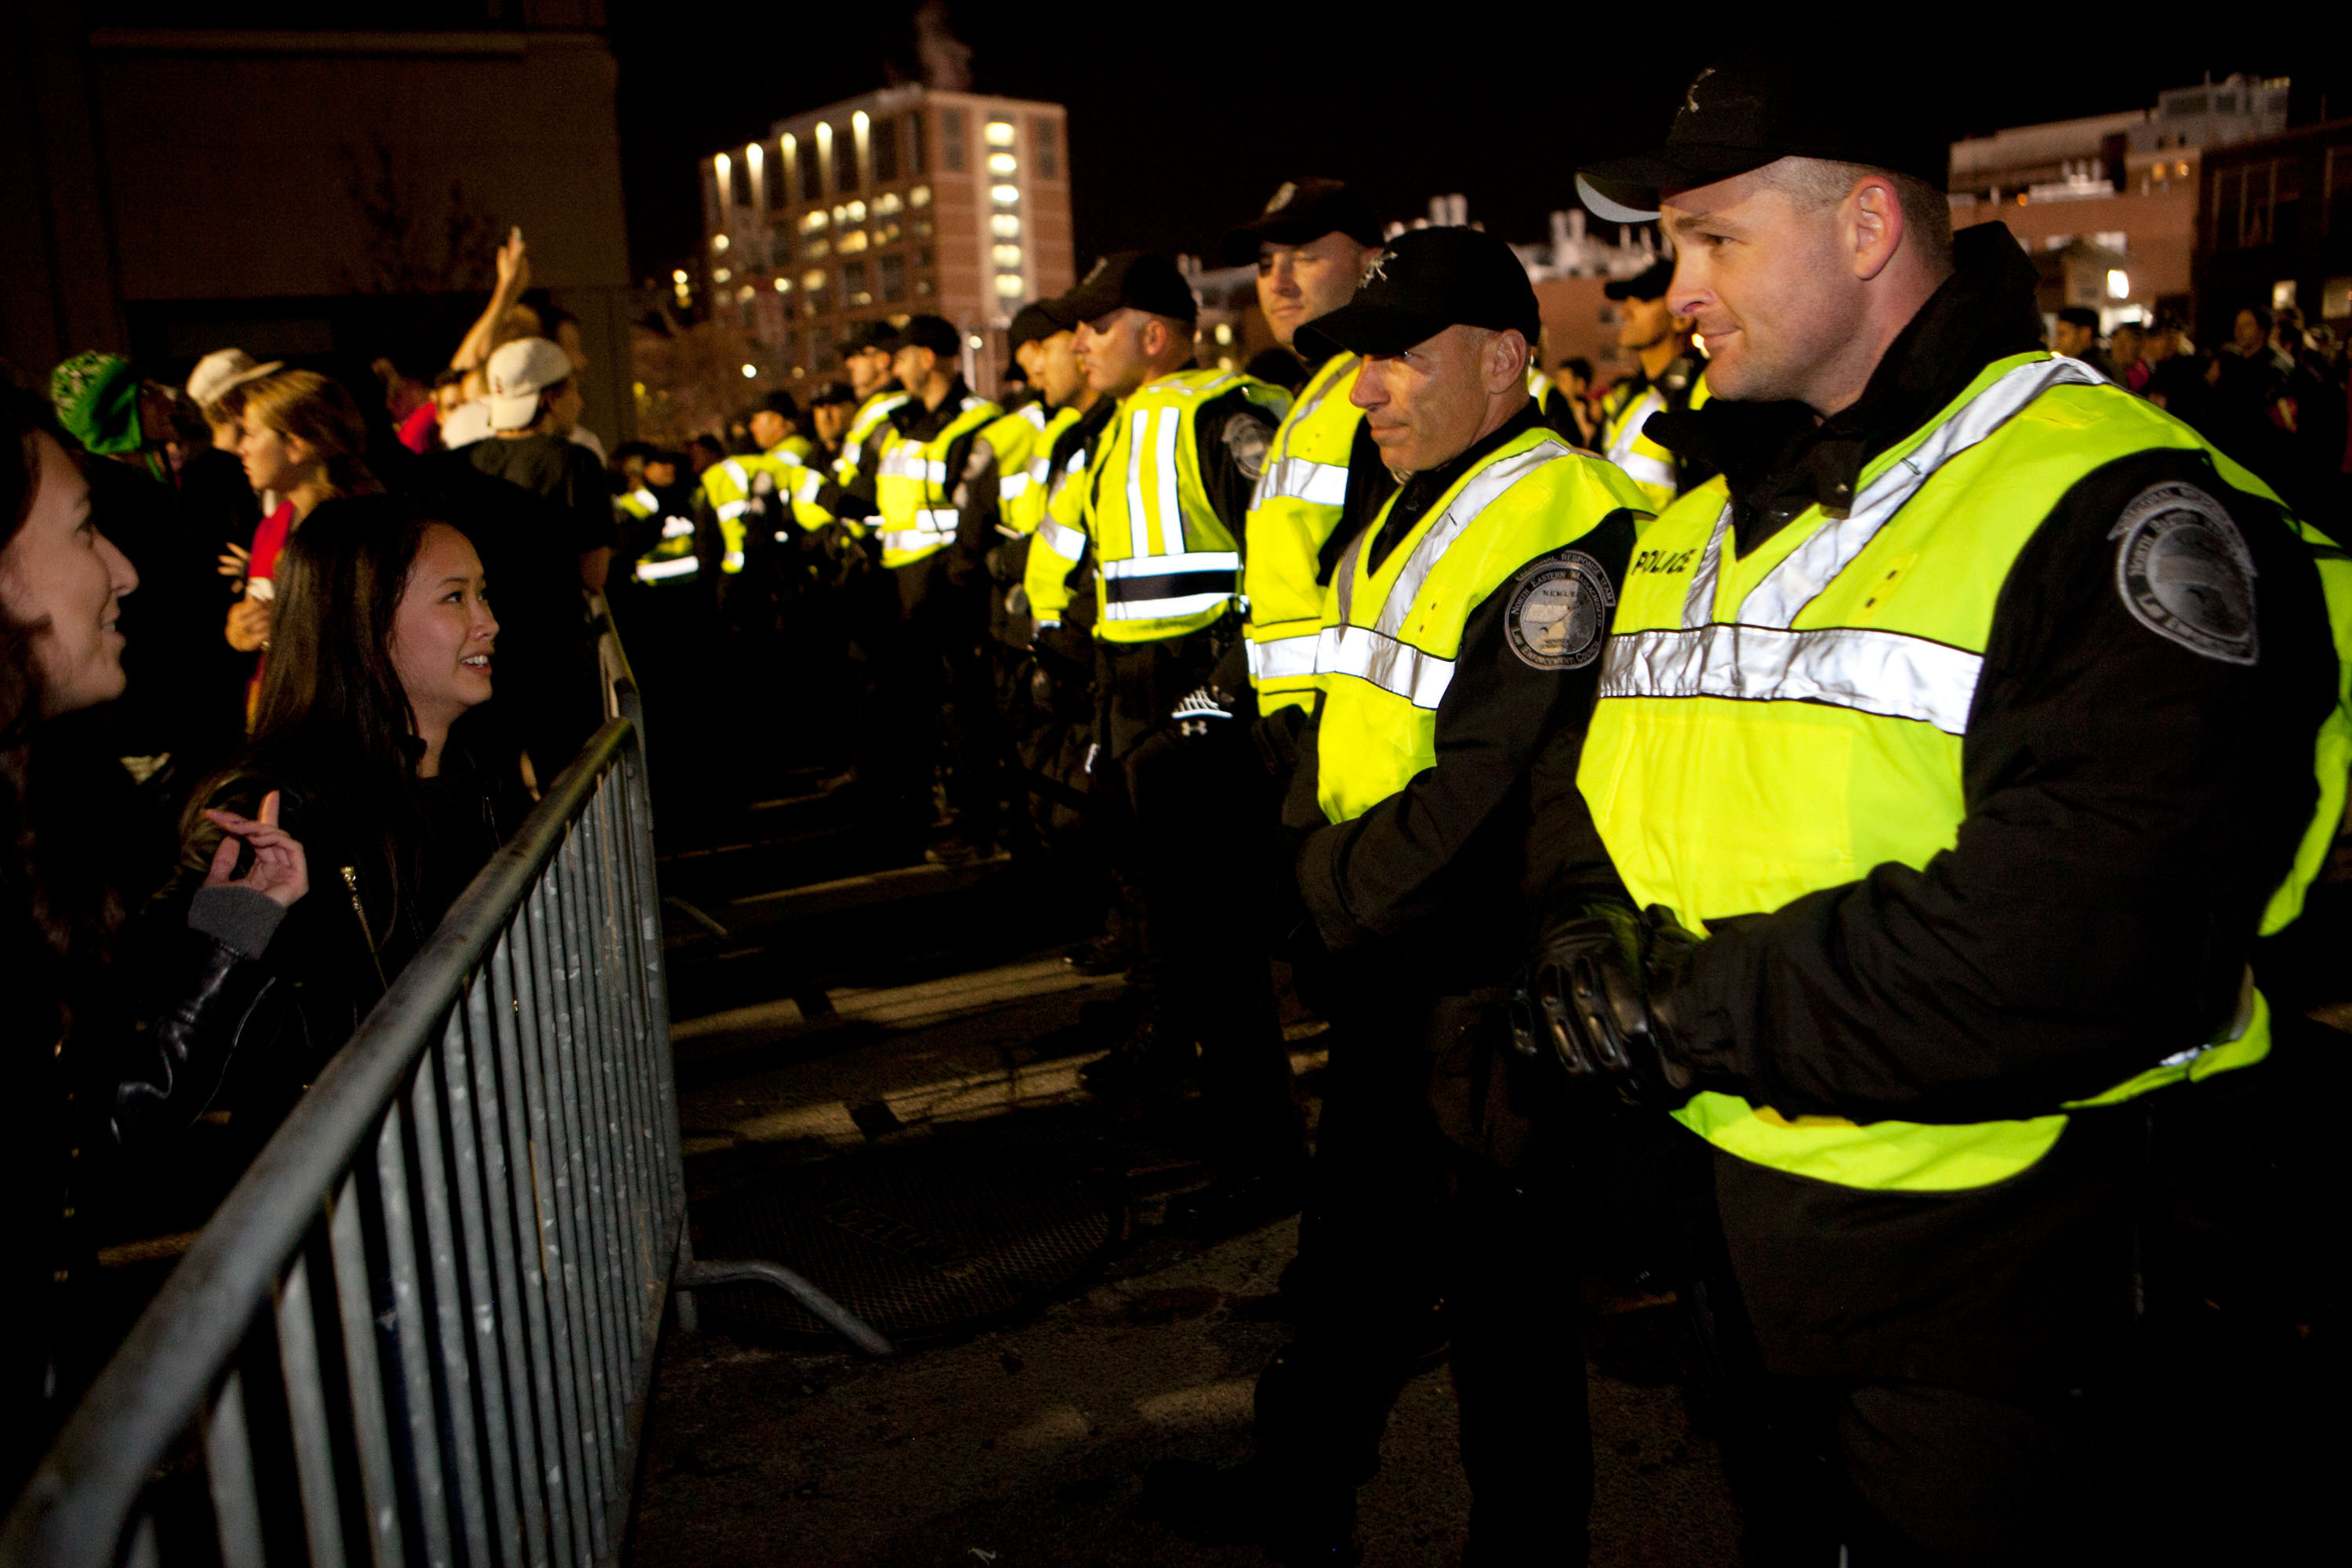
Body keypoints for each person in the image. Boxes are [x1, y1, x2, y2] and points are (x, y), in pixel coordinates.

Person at [1562, 54, 2348, 1563]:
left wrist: (1676, 1002)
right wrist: (1589, 929)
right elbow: (1607, 800)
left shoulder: (2108, 506)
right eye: (1674, 246)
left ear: (1868, 228)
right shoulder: (1713, 510)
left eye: (1718, 240)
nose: (1678, 291)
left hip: (2016, 1287)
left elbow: (2076, 942)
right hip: (1756, 1238)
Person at [1152, 226, 1656, 1565]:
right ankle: (1302, 1478)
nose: (1366, 391)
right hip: (1390, 962)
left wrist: (1299, 890)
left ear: (1504, 358)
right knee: (1359, 1264)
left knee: (1506, 1316)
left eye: (1398, 360)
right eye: (1360, 364)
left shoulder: (1566, 518)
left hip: (1482, 985)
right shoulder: (1417, 491)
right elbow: (1326, 681)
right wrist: (1211, 740)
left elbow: (1490, 788)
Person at [2, 387, 312, 1494]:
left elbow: (79, 1157)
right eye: (85, 529)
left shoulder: (41, 825)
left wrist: (227, 939)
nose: (124, 571)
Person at [1046, 251, 1305, 1222]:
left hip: (1197, 701)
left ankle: (1266, 1159)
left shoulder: (1217, 414)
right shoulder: (1119, 429)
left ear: (1155, 334)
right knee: (1184, 936)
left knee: (1223, 945)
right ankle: (1237, 1126)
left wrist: (1217, 696)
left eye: (1097, 324)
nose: (1079, 341)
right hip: (1140, 694)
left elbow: (1275, 564)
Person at [166, 502, 524, 1162]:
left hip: (474, 1157)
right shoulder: (270, 810)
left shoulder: (482, 774)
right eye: (455, 598)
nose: (489, 622)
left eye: (483, 593)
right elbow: (212, 1033)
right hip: (353, 1187)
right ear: (361, 624)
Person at [811, 315, 1004, 855]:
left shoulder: (978, 421)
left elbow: (976, 511)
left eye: (901, 355)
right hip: (902, 590)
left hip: (952, 587)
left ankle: (978, 822)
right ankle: (926, 808)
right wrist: (829, 497)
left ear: (929, 358)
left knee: (964, 708)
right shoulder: (896, 423)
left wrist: (953, 576)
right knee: (915, 706)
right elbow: (870, 493)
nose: (891, 365)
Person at [1221, 177, 1386, 720]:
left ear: (1371, 263)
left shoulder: (1380, 396)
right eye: (1267, 265)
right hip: (1296, 727)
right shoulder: (1318, 395)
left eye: (1305, 258)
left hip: (1343, 726)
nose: (1279, 283)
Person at [1596, 256, 1713, 508]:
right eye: (1626, 301)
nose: (1625, 312)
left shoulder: (1707, 390)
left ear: (1682, 318)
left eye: (1644, 300)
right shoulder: (1625, 395)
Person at [1552, 355, 1600, 445]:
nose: (1557, 385)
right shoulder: (1555, 410)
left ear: (1580, 384)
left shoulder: (1590, 412)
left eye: (1563, 380)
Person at [2052, 304, 2111, 374]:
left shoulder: (2098, 371)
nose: (2057, 341)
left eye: (2062, 334)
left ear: (2085, 333)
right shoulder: (2073, 366)